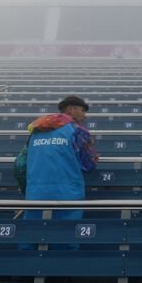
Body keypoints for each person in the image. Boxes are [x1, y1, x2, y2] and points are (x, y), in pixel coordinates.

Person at [22, 95, 99, 229]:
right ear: (70, 110)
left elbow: (20, 164)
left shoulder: (36, 132)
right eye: (82, 110)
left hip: (35, 193)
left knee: (32, 235)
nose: (85, 116)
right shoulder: (77, 131)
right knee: (65, 238)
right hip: (67, 194)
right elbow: (89, 165)